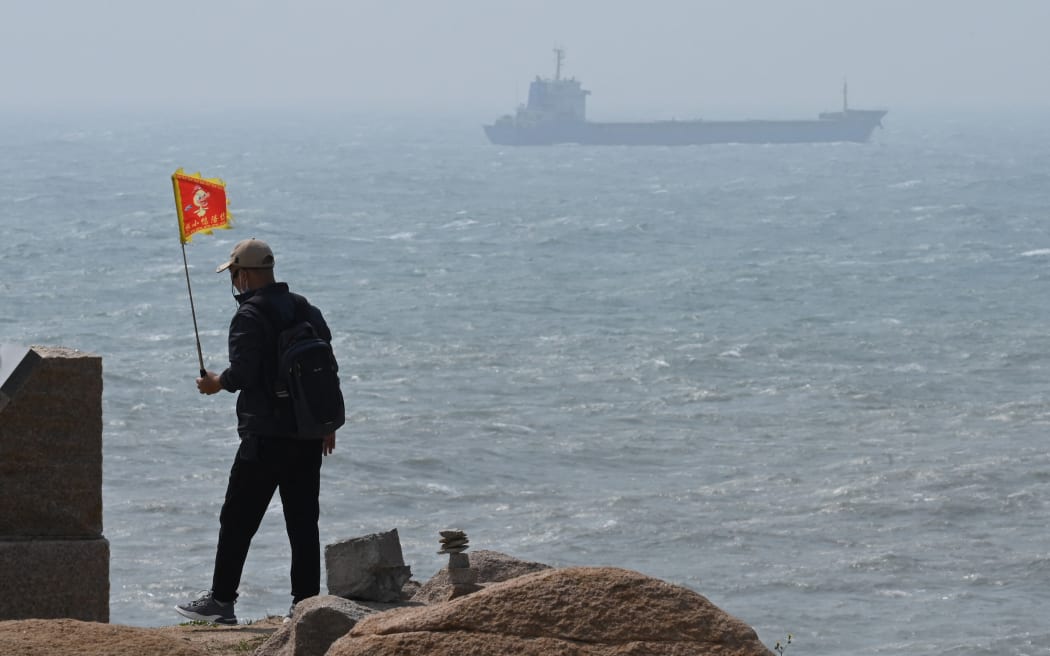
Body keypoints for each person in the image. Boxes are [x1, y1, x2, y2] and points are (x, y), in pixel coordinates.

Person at [175, 238, 338, 625]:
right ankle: (304, 607)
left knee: (237, 519)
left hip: (265, 436)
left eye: (232, 274)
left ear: (243, 274)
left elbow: (244, 374)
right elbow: (325, 366)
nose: (234, 281)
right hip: (306, 434)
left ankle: (221, 602)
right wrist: (325, 423)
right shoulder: (304, 307)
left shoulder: (249, 315)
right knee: (303, 523)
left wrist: (217, 382)